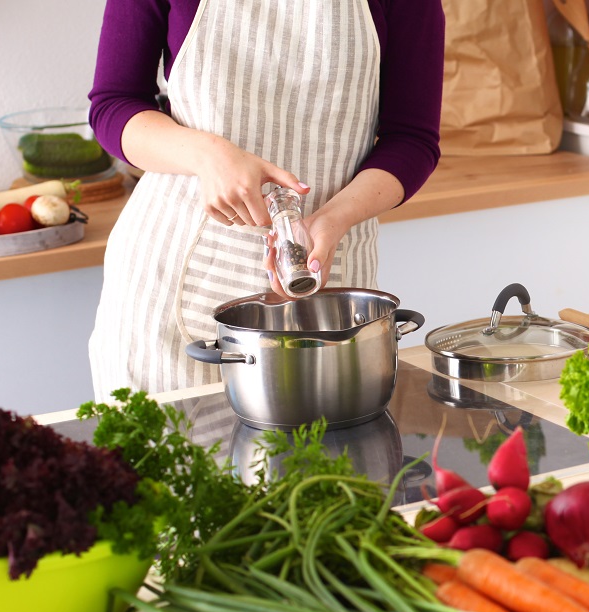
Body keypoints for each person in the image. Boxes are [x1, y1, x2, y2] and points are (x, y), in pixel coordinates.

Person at [86, 0, 445, 401]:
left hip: (326, 281)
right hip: (167, 289)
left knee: (322, 460)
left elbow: (412, 139)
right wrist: (209, 156)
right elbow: (113, 105)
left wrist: (335, 218)